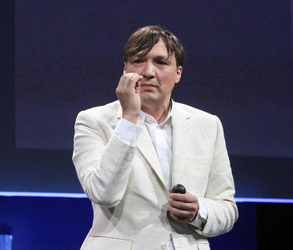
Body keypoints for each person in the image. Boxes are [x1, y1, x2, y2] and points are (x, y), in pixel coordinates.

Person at [72, 25, 238, 250]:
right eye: (138, 61)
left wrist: (199, 211)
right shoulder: (93, 121)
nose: (148, 71)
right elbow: (105, 193)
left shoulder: (207, 125)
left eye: (160, 62)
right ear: (125, 69)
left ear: (178, 73)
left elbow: (227, 208)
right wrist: (129, 117)